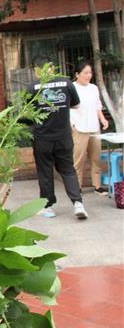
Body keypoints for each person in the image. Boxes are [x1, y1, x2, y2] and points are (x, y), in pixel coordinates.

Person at [28, 61, 87, 219]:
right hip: (63, 136)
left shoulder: (33, 87)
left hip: (42, 138)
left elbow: (28, 114)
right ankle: (78, 203)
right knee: (68, 170)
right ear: (53, 68)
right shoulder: (67, 83)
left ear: (37, 70)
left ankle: (47, 207)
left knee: (45, 172)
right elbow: (76, 105)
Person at [70, 62, 110, 195]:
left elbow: (97, 106)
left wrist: (103, 119)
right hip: (79, 128)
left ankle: (97, 186)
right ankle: (77, 187)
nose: (88, 76)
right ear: (77, 74)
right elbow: (67, 109)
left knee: (96, 158)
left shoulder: (94, 88)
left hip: (94, 128)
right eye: (85, 73)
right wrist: (71, 124)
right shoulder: (72, 88)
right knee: (78, 160)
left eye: (90, 73)